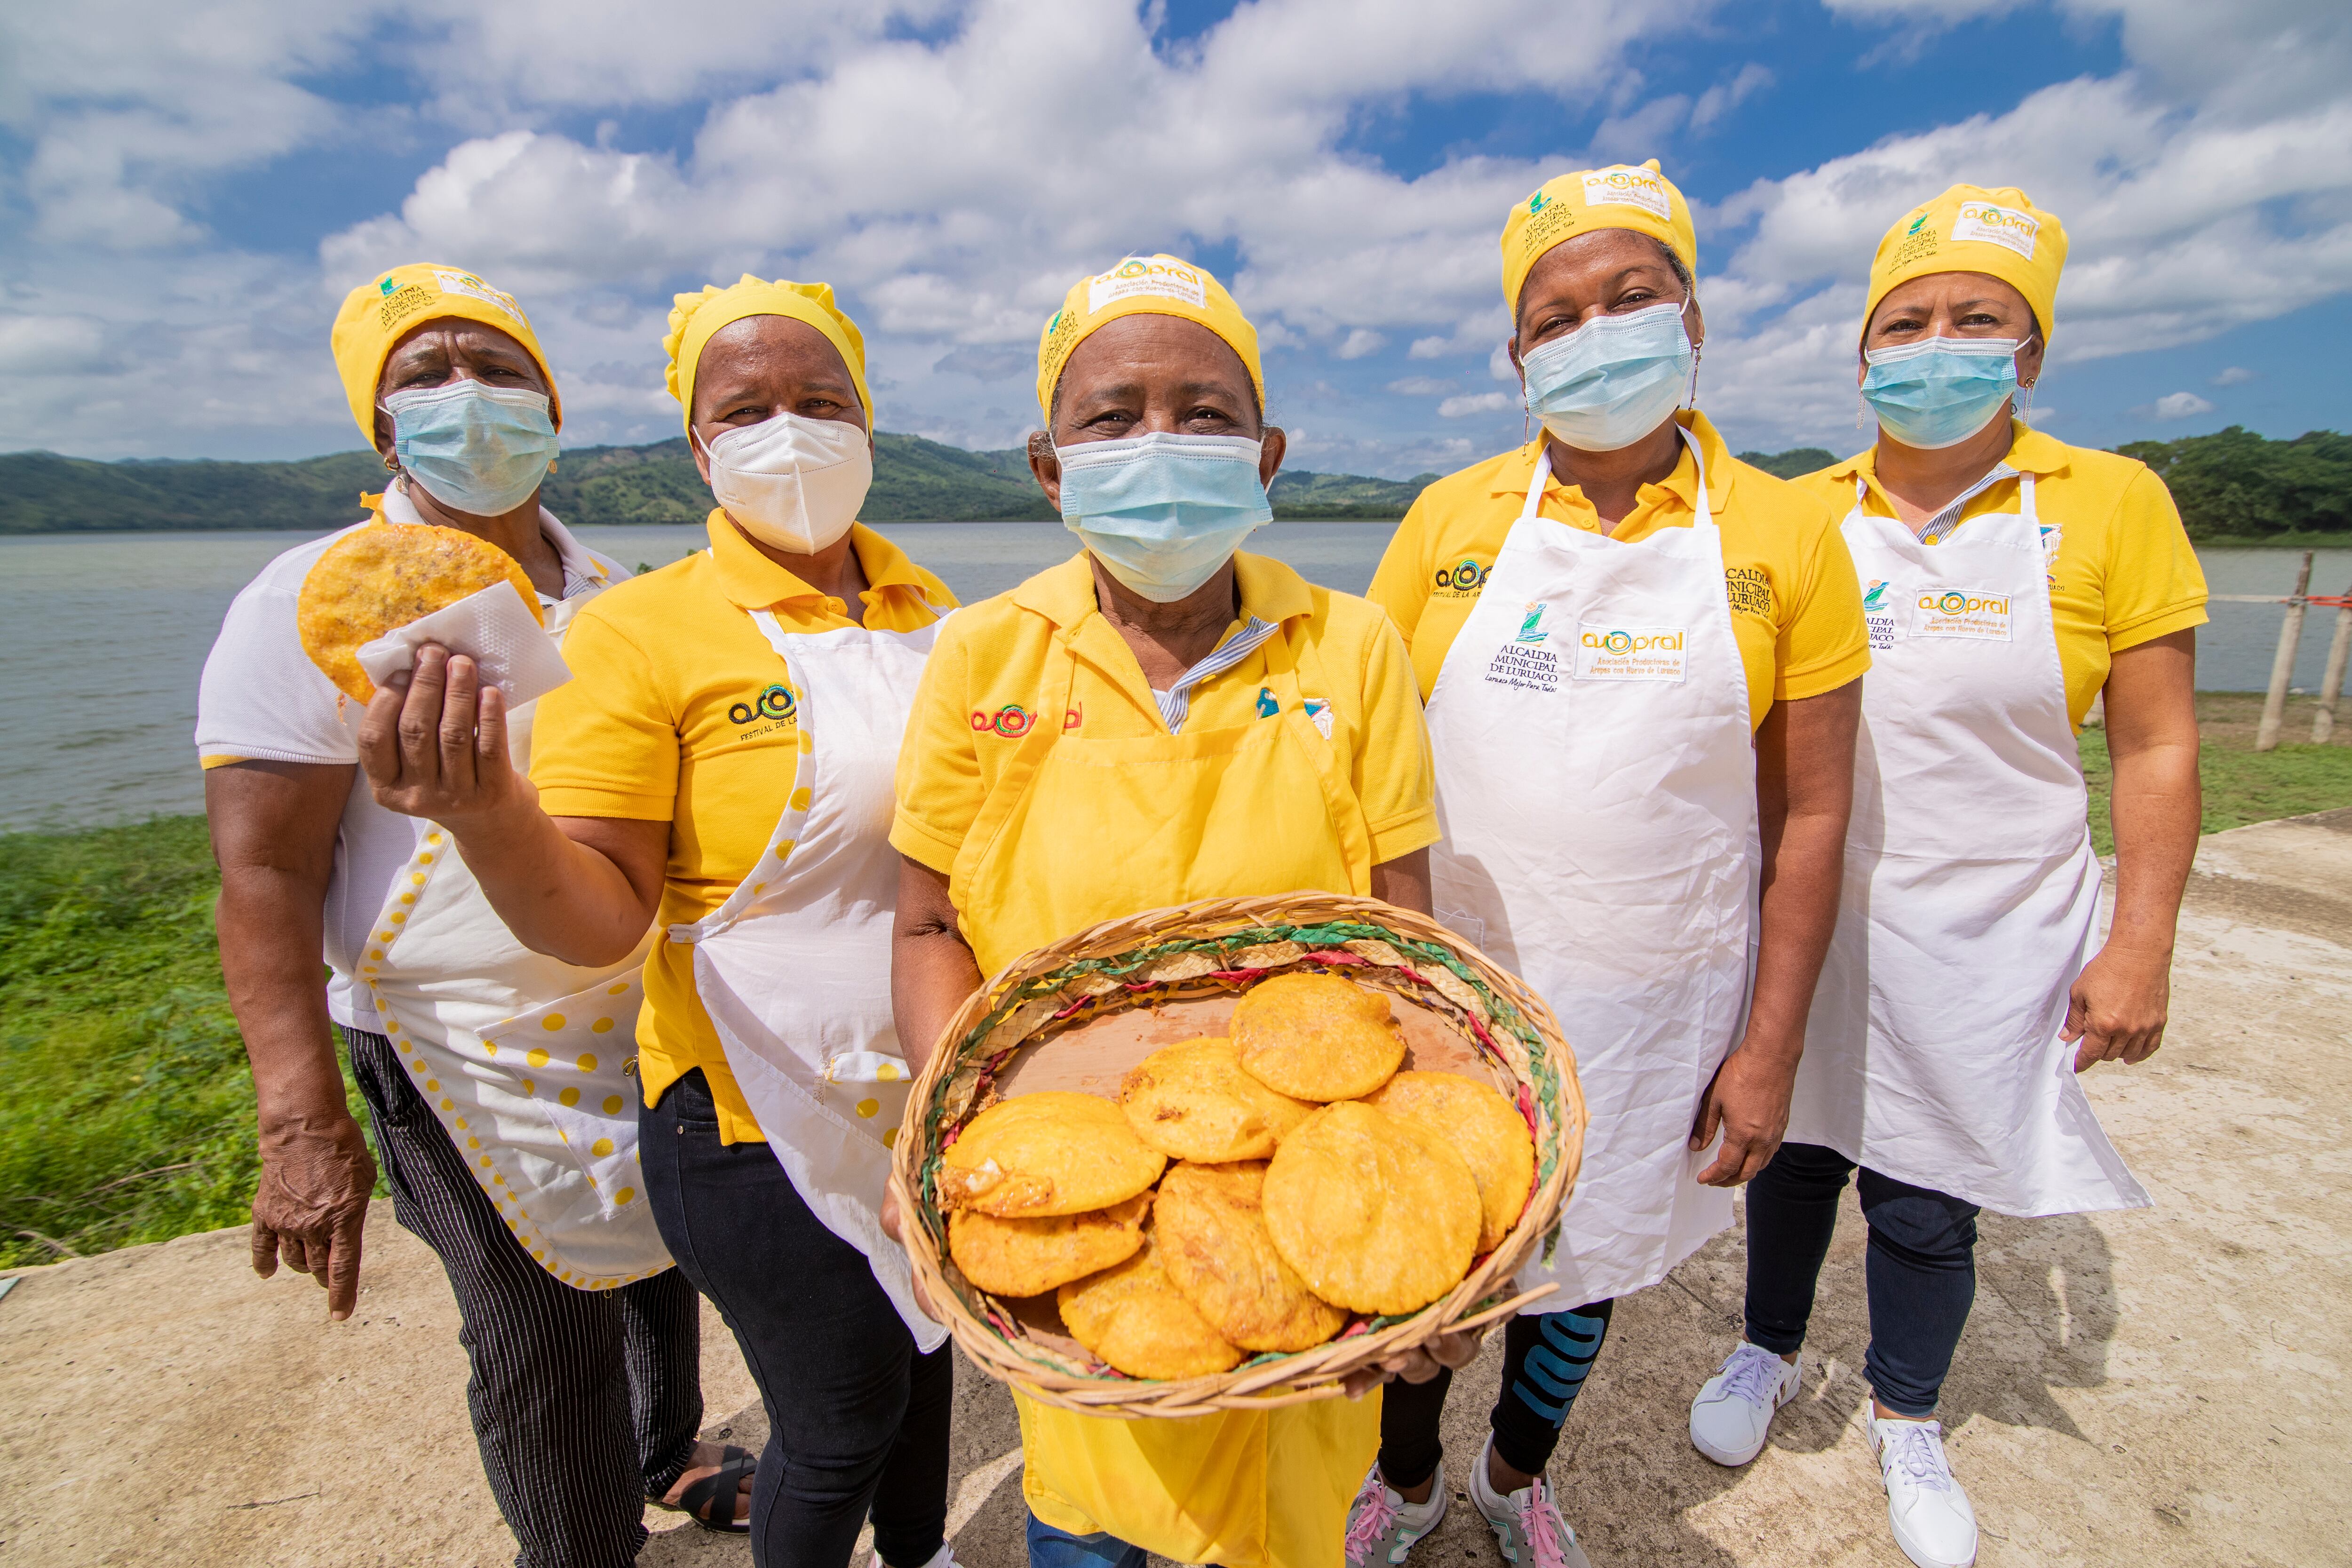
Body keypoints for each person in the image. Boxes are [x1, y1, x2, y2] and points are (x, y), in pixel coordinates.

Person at [349, 274, 963, 1568]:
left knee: (931, 1353)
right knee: (842, 1410)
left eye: (821, 399)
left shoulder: (946, 619)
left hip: (940, 1080)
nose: (789, 431)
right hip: (744, 1111)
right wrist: (488, 817)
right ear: (699, 443)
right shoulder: (637, 631)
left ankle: (927, 1555)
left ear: (869, 419)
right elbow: (598, 915)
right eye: (746, 408)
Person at [884, 254, 1467, 1568]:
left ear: (1269, 455)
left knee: (1291, 1508)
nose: (1160, 443)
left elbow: (1405, 947)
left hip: (1296, 1203)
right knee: (1093, 1509)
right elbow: (928, 929)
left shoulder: (1352, 646)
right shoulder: (984, 656)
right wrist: (949, 1136)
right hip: (1082, 1201)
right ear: (1049, 466)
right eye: (1113, 415)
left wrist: (1426, 1218)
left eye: (1204, 413)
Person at [199, 262, 752, 1568]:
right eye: (426, 376)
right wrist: (299, 1116)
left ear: (552, 407)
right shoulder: (310, 604)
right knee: (538, 1339)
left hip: (626, 996)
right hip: (457, 1047)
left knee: (657, 1253)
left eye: (500, 371)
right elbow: (265, 873)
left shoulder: (614, 592)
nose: (471, 399)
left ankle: (665, 1446)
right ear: (382, 428)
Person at [1685, 184, 2207, 1568]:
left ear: (2029, 350)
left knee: (1928, 1186)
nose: (1936, 345)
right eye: (1905, 322)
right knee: (1790, 1145)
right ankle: (1765, 1347)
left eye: (1977, 319)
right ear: (1862, 354)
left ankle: (1905, 1410)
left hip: (1993, 910)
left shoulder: (2108, 502)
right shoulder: (1800, 514)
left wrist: (2141, 936)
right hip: (1811, 901)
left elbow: (2155, 747)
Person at [1358, 161, 1870, 1565]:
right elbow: (1357, 758)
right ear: (1519, 357)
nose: (1597, 332)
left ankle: (1516, 1479)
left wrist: (1768, 1048)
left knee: (1594, 1268)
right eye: (1558, 315)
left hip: (1659, 1005)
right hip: (1456, 1004)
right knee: (1428, 1264)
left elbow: (1809, 816)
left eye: (1631, 295)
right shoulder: (1452, 520)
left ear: (1693, 312)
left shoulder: (1784, 532)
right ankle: (1404, 1484)